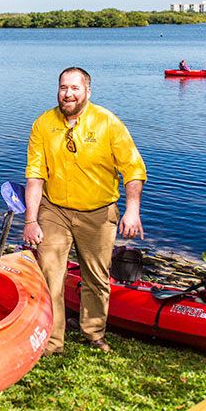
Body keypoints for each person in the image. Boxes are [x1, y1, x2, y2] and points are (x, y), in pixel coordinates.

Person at [22, 67, 146, 355]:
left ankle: (94, 334)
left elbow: (133, 168)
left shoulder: (107, 122)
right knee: (51, 273)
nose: (68, 93)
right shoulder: (43, 123)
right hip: (55, 210)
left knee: (96, 277)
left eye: (75, 88)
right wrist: (30, 219)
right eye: (63, 87)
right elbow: (35, 175)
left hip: (99, 213)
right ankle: (53, 341)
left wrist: (132, 210)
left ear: (87, 91)